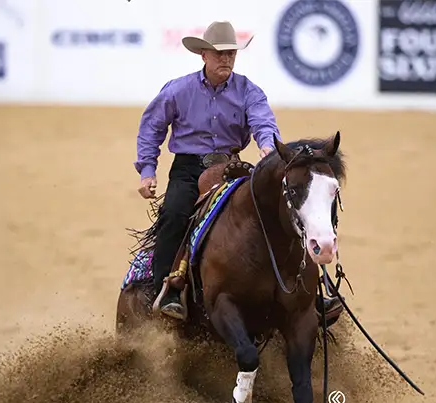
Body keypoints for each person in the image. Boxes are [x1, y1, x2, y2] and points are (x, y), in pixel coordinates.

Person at [133, 20, 343, 322]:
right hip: (188, 169)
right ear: (203, 55)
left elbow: (263, 121)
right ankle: (165, 289)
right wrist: (147, 170)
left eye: (231, 53)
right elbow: (152, 127)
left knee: (281, 212)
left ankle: (310, 289)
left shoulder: (248, 91)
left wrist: (269, 148)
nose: (226, 59)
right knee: (175, 214)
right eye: (219, 54)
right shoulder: (178, 91)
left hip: (232, 167)